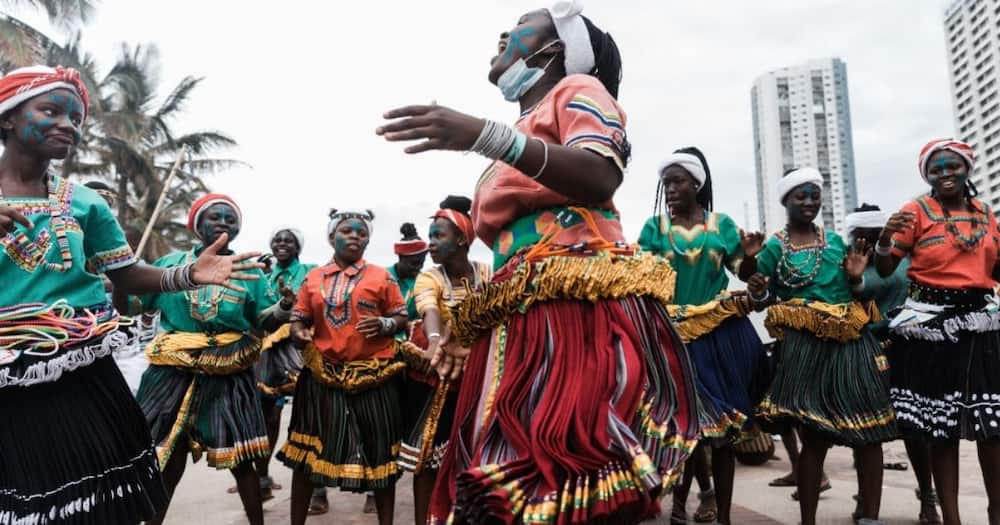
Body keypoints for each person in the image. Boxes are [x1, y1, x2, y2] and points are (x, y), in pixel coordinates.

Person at [377, 3, 701, 522]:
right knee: (519, 478)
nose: (506, 32)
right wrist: (465, 332)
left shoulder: (579, 91)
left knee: (569, 471)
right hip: (526, 309)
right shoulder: (526, 125)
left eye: (524, 25)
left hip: (574, 310)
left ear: (558, 49)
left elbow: (599, 175)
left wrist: (482, 134)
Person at [0, 65, 260, 523]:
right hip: (7, 380)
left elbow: (127, 276)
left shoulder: (86, 204)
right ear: (6, 118)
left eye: (76, 118)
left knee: (98, 505)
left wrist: (187, 275)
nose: (68, 125)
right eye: (51, 110)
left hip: (83, 374)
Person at [740, 167, 897, 525]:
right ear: (786, 201)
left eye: (814, 195)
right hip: (804, 347)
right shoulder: (774, 247)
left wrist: (856, 278)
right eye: (801, 196)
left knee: (869, 433)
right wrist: (752, 268)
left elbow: (854, 291)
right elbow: (761, 297)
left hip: (850, 343)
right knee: (814, 437)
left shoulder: (837, 243)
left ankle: (870, 517)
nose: (809, 202)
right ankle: (807, 519)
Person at [131, 193, 283, 525]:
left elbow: (264, 320)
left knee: (242, 459)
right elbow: (133, 305)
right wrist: (121, 276)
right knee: (169, 457)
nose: (224, 223)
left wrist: (284, 308)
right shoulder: (171, 264)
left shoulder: (251, 271)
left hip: (229, 370)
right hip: (173, 371)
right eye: (215, 217)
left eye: (230, 218)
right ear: (197, 224)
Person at [638, 146, 768, 525]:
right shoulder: (653, 229)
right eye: (667, 183)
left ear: (697, 183)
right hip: (670, 337)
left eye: (678, 181)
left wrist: (752, 262)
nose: (672, 188)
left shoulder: (721, 225)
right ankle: (679, 508)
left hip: (716, 337)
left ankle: (723, 514)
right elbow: (641, 276)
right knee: (685, 430)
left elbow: (745, 275)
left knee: (723, 433)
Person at [877, 138, 1000, 525]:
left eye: (952, 166)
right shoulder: (915, 212)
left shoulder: (985, 213)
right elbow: (883, 269)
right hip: (930, 328)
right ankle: (951, 518)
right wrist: (882, 241)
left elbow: (995, 272)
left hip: (981, 323)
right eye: (936, 168)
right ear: (927, 175)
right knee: (940, 429)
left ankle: (996, 512)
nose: (945, 173)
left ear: (967, 168)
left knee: (992, 428)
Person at [278, 209, 407, 525]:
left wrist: (388, 324)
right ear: (331, 236)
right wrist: (298, 332)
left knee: (381, 459)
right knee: (307, 457)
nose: (355, 236)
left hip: (374, 377)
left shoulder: (381, 276)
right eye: (347, 230)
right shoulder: (313, 278)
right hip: (322, 376)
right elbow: (299, 318)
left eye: (361, 232)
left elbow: (401, 316)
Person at [396, 196, 492, 525]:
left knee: (472, 459)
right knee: (426, 462)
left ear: (463, 239)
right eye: (431, 235)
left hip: (477, 380)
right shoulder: (430, 277)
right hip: (433, 378)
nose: (432, 243)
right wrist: (435, 340)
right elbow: (429, 309)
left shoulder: (488, 274)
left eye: (439, 236)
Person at [848, 204, 941, 524]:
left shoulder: (904, 258)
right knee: (864, 430)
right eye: (859, 236)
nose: (865, 242)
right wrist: (854, 279)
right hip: (863, 351)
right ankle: (865, 497)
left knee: (915, 430)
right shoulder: (847, 264)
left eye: (872, 236)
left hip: (908, 349)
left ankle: (928, 498)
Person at [243, 227, 316, 501]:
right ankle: (262, 476)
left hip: (299, 346)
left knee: (309, 415)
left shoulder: (310, 271)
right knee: (267, 417)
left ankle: (316, 483)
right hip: (265, 351)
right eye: (278, 239)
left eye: (289, 241)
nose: (282, 243)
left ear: (298, 247)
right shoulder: (263, 275)